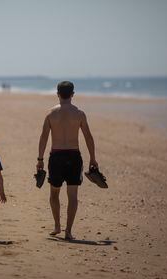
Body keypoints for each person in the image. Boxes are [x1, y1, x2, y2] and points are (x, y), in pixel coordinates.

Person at [36, 81, 98, 240]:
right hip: (73, 156)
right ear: (72, 94)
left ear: (57, 93)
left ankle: (57, 225)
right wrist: (93, 158)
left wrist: (40, 159)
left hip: (56, 157)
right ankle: (68, 231)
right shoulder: (79, 114)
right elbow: (88, 137)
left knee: (54, 194)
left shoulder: (50, 114)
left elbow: (43, 137)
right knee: (72, 196)